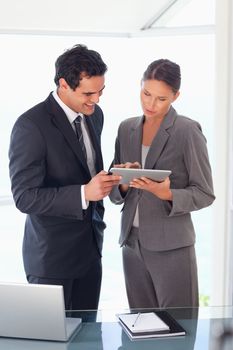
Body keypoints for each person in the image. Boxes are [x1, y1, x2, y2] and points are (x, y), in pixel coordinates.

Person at [8, 44, 121, 311]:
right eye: (88, 93)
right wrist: (83, 193)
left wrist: (116, 176)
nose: (96, 100)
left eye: (101, 91)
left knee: (89, 338)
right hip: (51, 261)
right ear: (63, 84)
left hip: (91, 252)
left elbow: (87, 169)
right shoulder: (31, 126)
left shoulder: (95, 116)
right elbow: (24, 197)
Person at [109, 59, 215, 308]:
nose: (150, 104)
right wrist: (123, 184)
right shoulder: (126, 129)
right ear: (140, 86)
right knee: (141, 327)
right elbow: (114, 192)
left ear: (175, 96)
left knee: (179, 330)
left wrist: (166, 193)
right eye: (146, 94)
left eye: (161, 98)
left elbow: (205, 193)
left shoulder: (187, 131)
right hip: (131, 244)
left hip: (172, 248)